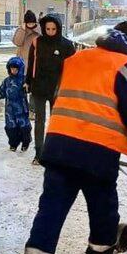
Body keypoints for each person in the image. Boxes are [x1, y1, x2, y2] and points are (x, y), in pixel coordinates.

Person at [17, 21, 127, 254]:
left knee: (50, 214)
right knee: (103, 213)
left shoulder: (77, 58)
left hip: (59, 147)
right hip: (98, 153)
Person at [25, 14, 76, 164]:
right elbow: (31, 64)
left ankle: (54, 151)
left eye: (53, 28)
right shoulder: (37, 43)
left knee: (56, 122)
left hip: (58, 90)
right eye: (47, 28)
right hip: (39, 88)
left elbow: (73, 68)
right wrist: (28, 82)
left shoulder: (66, 45)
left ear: (58, 28)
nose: (50, 31)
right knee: (39, 121)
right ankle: (39, 153)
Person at [0, 57, 32, 152]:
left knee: (24, 127)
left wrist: (27, 88)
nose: (13, 70)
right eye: (12, 68)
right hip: (10, 110)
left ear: (20, 69)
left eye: (16, 69)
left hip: (21, 108)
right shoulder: (7, 81)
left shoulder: (24, 79)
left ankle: (25, 142)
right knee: (11, 127)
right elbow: (3, 90)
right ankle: (13, 143)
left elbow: (30, 88)